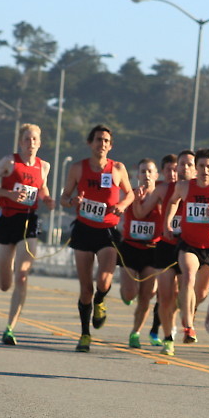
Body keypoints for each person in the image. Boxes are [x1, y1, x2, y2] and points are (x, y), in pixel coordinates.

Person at [60, 124, 134, 352]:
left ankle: (100, 301)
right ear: (90, 143)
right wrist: (73, 202)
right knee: (85, 289)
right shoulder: (77, 168)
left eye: (105, 141)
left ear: (110, 146)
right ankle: (84, 334)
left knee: (103, 281)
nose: (102, 144)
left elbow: (130, 193)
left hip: (107, 232)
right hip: (83, 229)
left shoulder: (118, 169)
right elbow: (64, 197)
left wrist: (121, 205)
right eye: (98, 140)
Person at [0, 124, 54, 345]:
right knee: (5, 284)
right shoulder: (9, 162)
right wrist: (7, 194)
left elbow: (43, 189)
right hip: (8, 219)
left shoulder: (44, 166)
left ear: (40, 143)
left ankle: (10, 328)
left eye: (34, 140)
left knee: (22, 275)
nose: (31, 143)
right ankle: (0, 268)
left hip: (29, 221)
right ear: (20, 142)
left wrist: (48, 199)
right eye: (27, 139)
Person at [165, 148, 209, 355]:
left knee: (202, 292)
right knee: (187, 277)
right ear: (195, 168)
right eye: (201, 166)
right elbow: (172, 202)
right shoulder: (184, 186)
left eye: (208, 167)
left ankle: (192, 312)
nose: (204, 170)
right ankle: (188, 327)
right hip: (188, 244)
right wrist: (168, 223)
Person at [118, 158, 163, 348]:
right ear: (137, 175)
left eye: (149, 171)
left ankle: (135, 332)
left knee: (146, 296)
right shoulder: (130, 194)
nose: (146, 175)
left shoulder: (161, 197)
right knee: (130, 293)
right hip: (130, 247)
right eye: (142, 171)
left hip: (152, 249)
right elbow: (129, 213)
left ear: (156, 175)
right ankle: (127, 295)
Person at [146, 154, 178, 344]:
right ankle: (157, 328)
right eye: (169, 170)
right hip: (159, 244)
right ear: (162, 172)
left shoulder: (184, 189)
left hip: (181, 246)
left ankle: (166, 326)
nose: (172, 173)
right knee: (160, 294)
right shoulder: (159, 190)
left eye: (175, 169)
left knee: (175, 293)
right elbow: (141, 211)